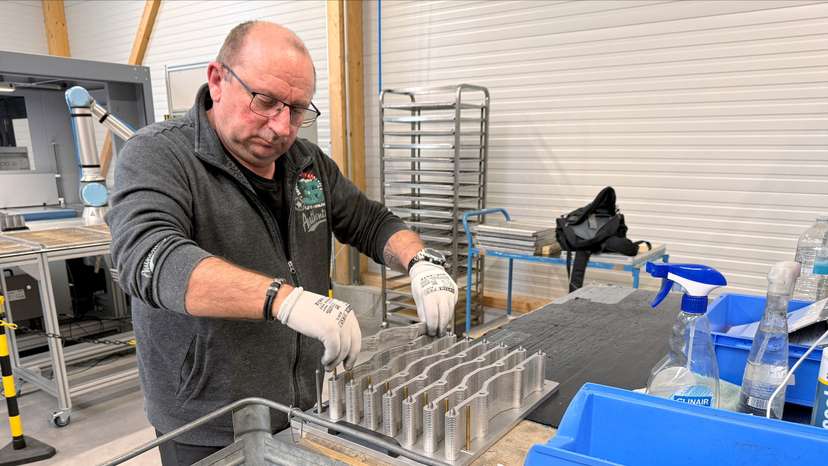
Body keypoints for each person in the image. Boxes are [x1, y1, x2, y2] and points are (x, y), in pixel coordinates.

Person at [107, 20, 458, 465]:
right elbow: (151, 257)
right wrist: (284, 300)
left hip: (301, 404)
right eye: (266, 101)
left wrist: (421, 261)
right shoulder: (158, 155)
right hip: (207, 419)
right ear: (217, 80)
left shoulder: (306, 163)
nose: (280, 126)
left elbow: (370, 221)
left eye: (296, 110)